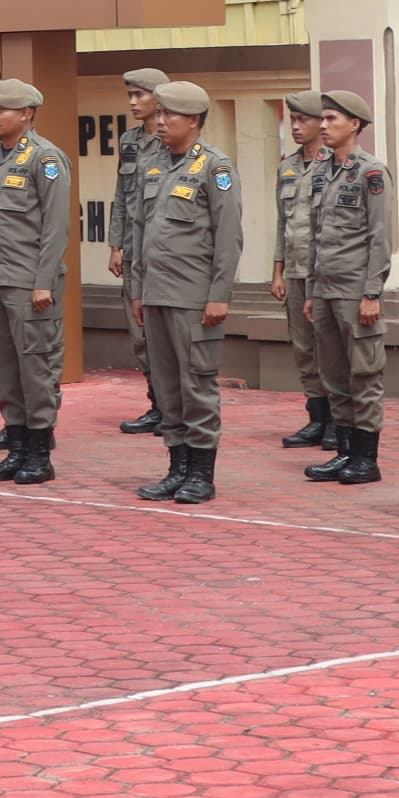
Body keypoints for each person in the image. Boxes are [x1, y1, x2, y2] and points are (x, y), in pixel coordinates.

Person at [128, 79, 238, 504]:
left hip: (193, 296)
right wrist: (138, 289)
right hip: (156, 293)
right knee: (168, 386)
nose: (159, 121)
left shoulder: (215, 167)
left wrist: (219, 294)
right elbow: (140, 231)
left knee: (196, 386)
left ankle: (201, 475)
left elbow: (228, 237)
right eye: (157, 113)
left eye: (168, 114)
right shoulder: (153, 164)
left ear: (193, 120)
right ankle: (176, 468)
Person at [0, 76, 71, 484]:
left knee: (35, 370)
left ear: (27, 113)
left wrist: (43, 281)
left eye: (2, 109)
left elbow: (56, 228)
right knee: (5, 370)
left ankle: (39, 456)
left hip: (29, 284)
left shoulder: (45, 159)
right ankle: (15, 449)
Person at [301, 89, 391, 488]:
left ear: (354, 124)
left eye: (331, 119)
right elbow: (315, 236)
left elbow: (380, 238)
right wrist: (311, 290)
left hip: (355, 291)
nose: (323, 125)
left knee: (364, 376)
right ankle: (345, 452)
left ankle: (366, 459)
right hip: (325, 290)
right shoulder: (322, 171)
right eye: (322, 119)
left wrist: (372, 293)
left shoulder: (372, 173)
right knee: (334, 376)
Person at [269, 95, 335, 457]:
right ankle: (316, 416)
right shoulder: (288, 166)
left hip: (323, 272)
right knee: (303, 347)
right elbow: (283, 222)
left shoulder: (335, 163)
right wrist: (277, 270)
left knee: (330, 349)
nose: (295, 126)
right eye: (292, 120)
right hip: (294, 270)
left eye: (302, 120)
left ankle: (338, 420)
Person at [110, 68, 173, 437]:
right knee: (140, 336)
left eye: (140, 95)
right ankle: (157, 405)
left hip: (164, 252)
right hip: (134, 251)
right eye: (130, 95)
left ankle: (174, 409)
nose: (133, 103)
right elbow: (121, 195)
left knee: (167, 336)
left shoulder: (173, 139)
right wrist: (116, 244)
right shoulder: (129, 140)